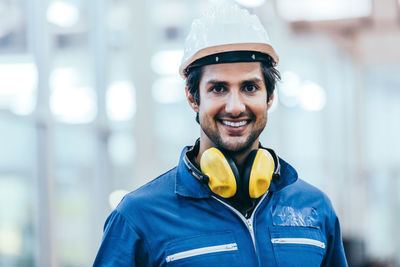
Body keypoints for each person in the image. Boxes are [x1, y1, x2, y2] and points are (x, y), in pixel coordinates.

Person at [93, 4, 347, 267]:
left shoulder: (314, 209)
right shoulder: (138, 218)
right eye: (218, 88)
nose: (235, 106)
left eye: (250, 87)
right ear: (193, 97)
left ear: (270, 96)